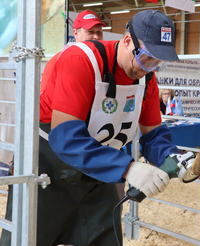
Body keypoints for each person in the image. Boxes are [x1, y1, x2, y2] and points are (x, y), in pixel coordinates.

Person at [1, 10, 190, 246]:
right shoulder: (81, 60)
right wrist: (129, 168)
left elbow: (152, 135)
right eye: (146, 57)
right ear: (127, 40)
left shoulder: (146, 79)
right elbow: (65, 138)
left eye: (158, 62)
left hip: (99, 167)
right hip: (49, 165)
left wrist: (174, 158)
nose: (149, 67)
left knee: (104, 237)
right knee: (29, 238)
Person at [40, 10, 105, 93]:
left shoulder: (103, 62)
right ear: (76, 33)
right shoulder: (57, 61)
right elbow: (44, 98)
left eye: (99, 32)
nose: (96, 37)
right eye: (90, 32)